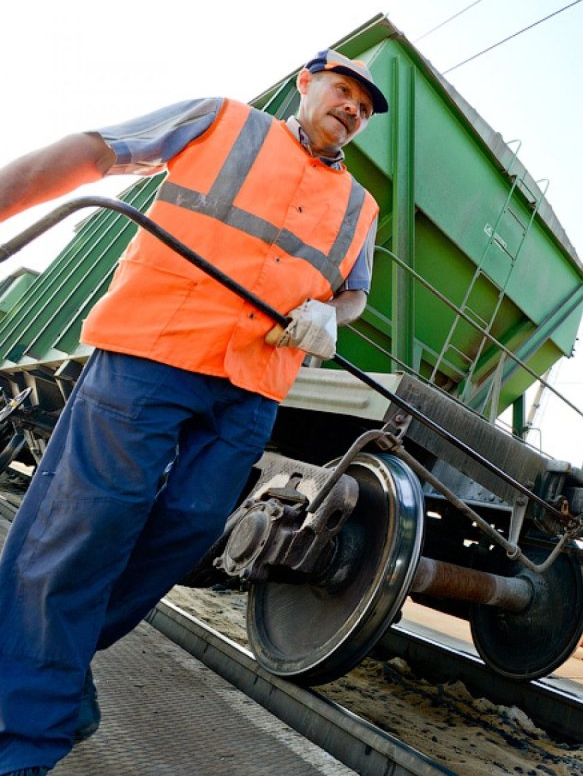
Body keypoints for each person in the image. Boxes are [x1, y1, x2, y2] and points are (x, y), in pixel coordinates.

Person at [0, 48, 389, 776]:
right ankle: (27, 736)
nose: (352, 110)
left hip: (254, 383)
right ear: (307, 83)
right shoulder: (223, 121)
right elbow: (98, 150)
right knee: (86, 524)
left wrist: (329, 314)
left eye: (365, 110)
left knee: (188, 531)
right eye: (344, 91)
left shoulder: (361, 207)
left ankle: (51, 659)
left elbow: (354, 291)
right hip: (153, 350)